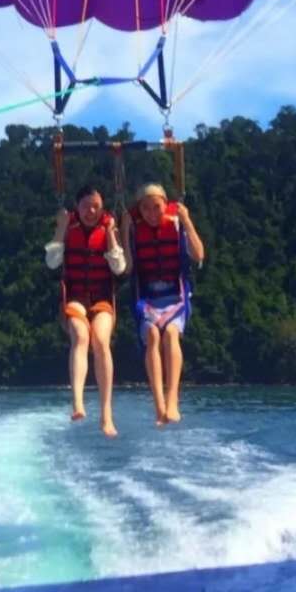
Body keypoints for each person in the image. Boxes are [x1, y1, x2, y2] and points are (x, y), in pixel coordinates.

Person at [44, 184, 126, 437]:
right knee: (81, 336)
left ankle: (106, 414)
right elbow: (52, 262)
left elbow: (119, 268)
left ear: (102, 209)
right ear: (76, 208)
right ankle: (78, 402)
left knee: (101, 340)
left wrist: (112, 233)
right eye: (85, 206)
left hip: (102, 298)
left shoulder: (108, 230)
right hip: (76, 297)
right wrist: (60, 227)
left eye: (96, 207)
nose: (90, 211)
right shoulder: (69, 230)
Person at [122, 183, 205, 425]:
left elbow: (199, 255)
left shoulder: (177, 224)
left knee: (170, 334)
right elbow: (127, 269)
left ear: (165, 204)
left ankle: (172, 400)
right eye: (145, 209)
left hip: (175, 296)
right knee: (152, 336)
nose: (151, 213)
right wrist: (125, 231)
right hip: (146, 299)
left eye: (156, 207)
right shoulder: (136, 230)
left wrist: (187, 220)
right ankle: (158, 404)